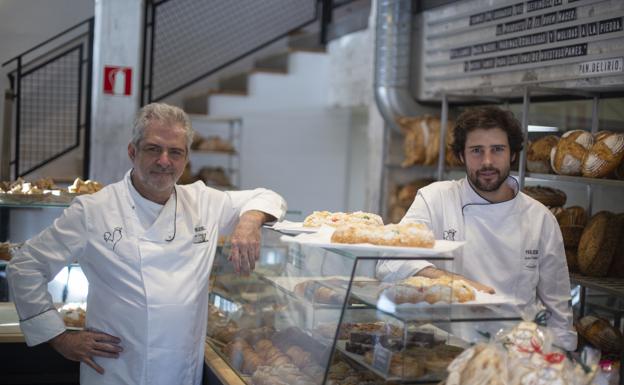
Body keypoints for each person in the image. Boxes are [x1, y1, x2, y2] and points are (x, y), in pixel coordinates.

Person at [7, 103, 287, 385]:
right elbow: (26, 266)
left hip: (180, 371)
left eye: (175, 152)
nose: (164, 160)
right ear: (133, 152)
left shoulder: (203, 202)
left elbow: (269, 196)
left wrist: (250, 221)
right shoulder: (94, 209)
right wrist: (59, 338)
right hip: (116, 372)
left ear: (186, 158)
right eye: (154, 148)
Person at [377, 106, 577, 351]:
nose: (487, 161)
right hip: (446, 351)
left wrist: (561, 364)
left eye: (498, 149)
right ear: (461, 156)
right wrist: (454, 282)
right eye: (476, 151)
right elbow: (389, 260)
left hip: (513, 357)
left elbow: (559, 311)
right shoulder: (436, 199)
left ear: (513, 154)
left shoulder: (540, 219)